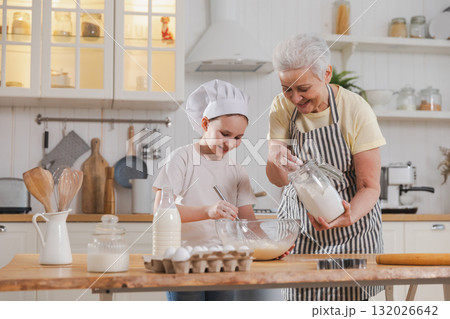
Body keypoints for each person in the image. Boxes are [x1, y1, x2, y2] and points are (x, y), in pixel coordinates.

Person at [266, 33, 386, 301]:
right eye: (287, 88)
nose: (295, 98)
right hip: (301, 229)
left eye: (303, 88)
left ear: (327, 74)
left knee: (349, 304)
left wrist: (347, 216)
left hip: (353, 229)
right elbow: (277, 180)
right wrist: (276, 157)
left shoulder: (355, 109)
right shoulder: (281, 107)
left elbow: (370, 186)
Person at [153, 79, 257, 301]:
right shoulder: (182, 159)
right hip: (184, 262)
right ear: (204, 123)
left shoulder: (237, 170)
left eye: (238, 137)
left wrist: (274, 247)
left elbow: (248, 222)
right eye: (224, 133)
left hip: (224, 262)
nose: (230, 143)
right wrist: (208, 211)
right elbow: (161, 212)